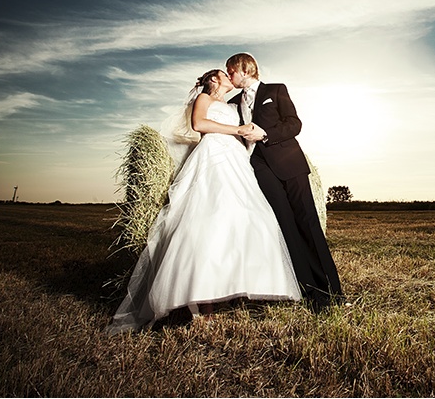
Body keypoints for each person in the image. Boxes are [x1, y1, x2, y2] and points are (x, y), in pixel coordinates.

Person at [106, 69, 301, 335]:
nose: (230, 79)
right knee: (210, 216)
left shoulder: (233, 106)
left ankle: (235, 286)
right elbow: (199, 125)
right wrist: (237, 130)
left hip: (236, 159)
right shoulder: (204, 100)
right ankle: (200, 296)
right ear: (214, 81)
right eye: (225, 75)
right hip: (214, 155)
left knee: (250, 216)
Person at [225, 52, 343, 311]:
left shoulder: (276, 90)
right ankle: (311, 294)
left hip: (290, 164)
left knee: (309, 224)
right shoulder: (232, 103)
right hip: (259, 169)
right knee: (286, 228)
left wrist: (265, 133)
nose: (229, 75)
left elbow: (294, 124)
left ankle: (333, 291)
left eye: (230, 70)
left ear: (244, 69)